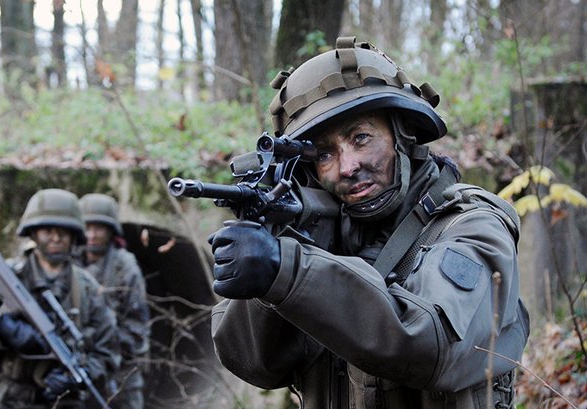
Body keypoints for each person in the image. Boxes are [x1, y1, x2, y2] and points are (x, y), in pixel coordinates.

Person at [208, 36, 530, 409]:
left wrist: (290, 269)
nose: (347, 167)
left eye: (361, 138)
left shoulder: (472, 227)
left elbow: (433, 346)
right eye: (325, 154)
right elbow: (256, 365)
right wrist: (267, 277)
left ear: (403, 134)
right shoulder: (325, 237)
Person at [0, 188, 121, 409]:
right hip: (6, 399)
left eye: (63, 232)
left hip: (62, 402)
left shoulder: (89, 291)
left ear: (74, 236)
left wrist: (77, 377)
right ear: (33, 233)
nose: (56, 238)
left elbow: (108, 353)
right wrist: (2, 328)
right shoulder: (9, 276)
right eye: (48, 230)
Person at [76, 193, 150, 409]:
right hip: (77, 365)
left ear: (111, 231)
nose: (91, 235)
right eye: (87, 227)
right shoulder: (68, 263)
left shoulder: (124, 267)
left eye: (99, 228)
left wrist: (102, 344)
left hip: (119, 369)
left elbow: (137, 328)